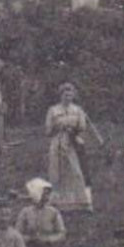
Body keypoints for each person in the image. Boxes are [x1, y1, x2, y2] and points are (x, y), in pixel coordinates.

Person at [44, 83, 97, 211]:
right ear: (60, 95)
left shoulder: (78, 110)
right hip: (58, 142)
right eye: (65, 94)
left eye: (70, 94)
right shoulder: (53, 110)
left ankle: (80, 202)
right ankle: (58, 203)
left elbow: (82, 127)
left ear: (73, 95)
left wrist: (74, 131)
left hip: (73, 142)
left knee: (77, 171)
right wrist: (58, 127)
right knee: (57, 171)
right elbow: (48, 131)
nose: (67, 97)